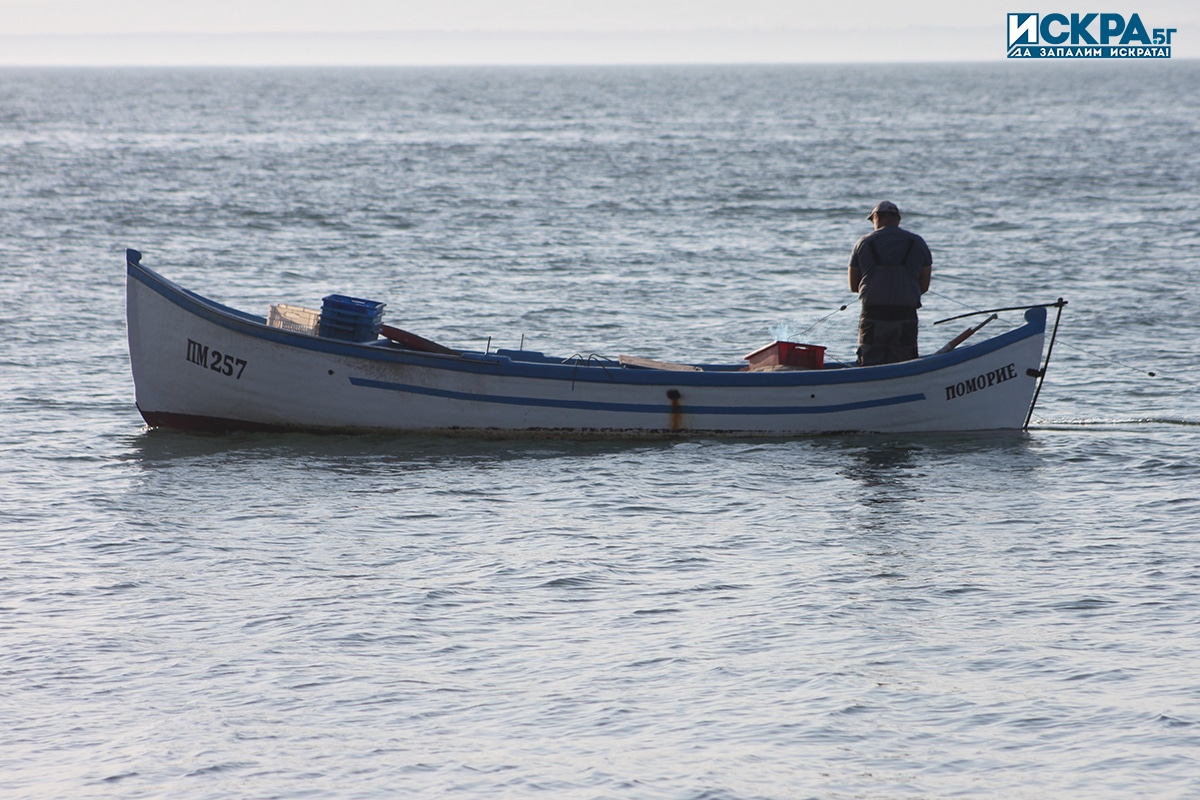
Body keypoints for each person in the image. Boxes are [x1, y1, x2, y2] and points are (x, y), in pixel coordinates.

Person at [847, 200, 932, 366]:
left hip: (873, 314)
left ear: (877, 217)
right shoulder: (918, 242)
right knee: (905, 364)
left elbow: (853, 286)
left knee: (870, 363)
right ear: (898, 219)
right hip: (905, 314)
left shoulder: (863, 243)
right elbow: (924, 286)